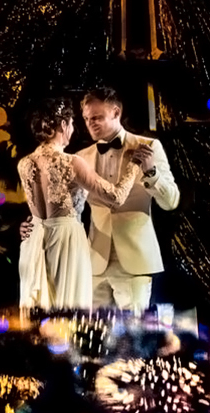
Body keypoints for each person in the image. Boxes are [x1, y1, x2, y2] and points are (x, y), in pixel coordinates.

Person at [18, 99, 140, 311]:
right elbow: (117, 196)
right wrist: (134, 166)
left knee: (37, 313)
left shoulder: (24, 163)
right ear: (63, 125)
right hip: (66, 240)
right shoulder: (71, 162)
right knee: (68, 311)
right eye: (73, 123)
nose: (73, 128)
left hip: (34, 238)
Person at [76, 87, 180, 312]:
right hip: (94, 260)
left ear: (116, 112)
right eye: (86, 119)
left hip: (135, 260)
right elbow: (67, 206)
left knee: (134, 329)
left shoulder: (148, 147)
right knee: (91, 329)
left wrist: (151, 172)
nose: (90, 124)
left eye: (97, 117)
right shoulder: (81, 157)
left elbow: (171, 201)